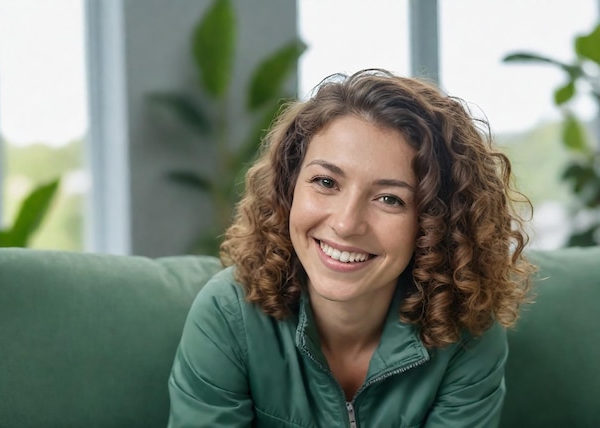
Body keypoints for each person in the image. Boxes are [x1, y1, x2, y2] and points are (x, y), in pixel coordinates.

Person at [167, 69, 535, 427]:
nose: (346, 223)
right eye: (326, 182)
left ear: (437, 223)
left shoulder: (468, 332)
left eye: (390, 199)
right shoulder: (228, 313)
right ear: (289, 188)